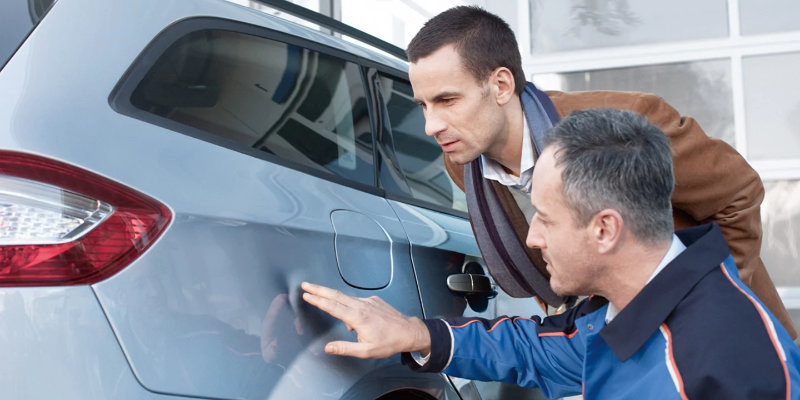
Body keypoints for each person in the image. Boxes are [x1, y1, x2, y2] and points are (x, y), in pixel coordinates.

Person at [302, 108, 800, 399]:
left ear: (605, 229)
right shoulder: (624, 312)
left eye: (545, 217)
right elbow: (538, 350)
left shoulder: (732, 362)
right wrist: (415, 333)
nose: (533, 238)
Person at [404, 5, 796, 339]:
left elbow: (737, 193)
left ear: (501, 85)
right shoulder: (463, 164)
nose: (431, 125)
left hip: (727, 338)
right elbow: (541, 263)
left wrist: (711, 300)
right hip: (611, 342)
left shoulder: (623, 124)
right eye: (422, 105)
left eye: (447, 100)